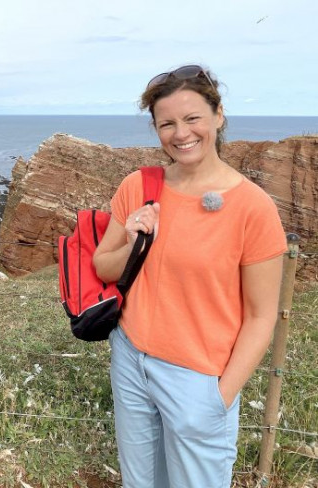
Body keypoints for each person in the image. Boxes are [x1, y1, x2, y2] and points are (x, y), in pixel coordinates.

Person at [93, 65, 286, 487]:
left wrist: (220, 398)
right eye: (167, 124)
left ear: (218, 115)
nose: (181, 134)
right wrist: (132, 242)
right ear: (156, 129)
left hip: (199, 379)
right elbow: (102, 266)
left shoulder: (253, 208)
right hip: (131, 360)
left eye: (192, 118)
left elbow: (261, 316)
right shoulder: (139, 186)